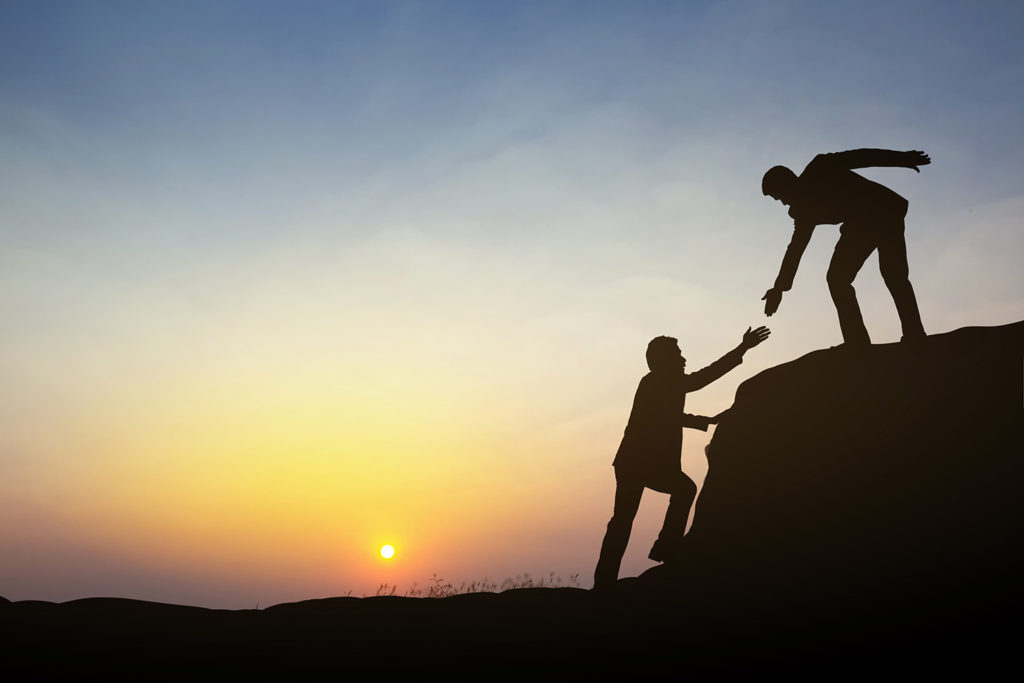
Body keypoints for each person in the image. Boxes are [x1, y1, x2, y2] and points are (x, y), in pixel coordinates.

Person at [593, 326, 770, 590]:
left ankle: (610, 579)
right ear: (664, 360)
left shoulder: (656, 382)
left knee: (625, 518)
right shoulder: (662, 381)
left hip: (633, 461)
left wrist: (705, 420)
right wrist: (742, 348)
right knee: (676, 493)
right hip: (640, 462)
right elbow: (703, 378)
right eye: (678, 354)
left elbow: (669, 416)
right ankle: (665, 547)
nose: (683, 359)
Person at [760, 148, 930, 346]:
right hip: (861, 225)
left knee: (892, 275)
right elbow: (795, 249)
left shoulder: (819, 167)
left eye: (779, 196)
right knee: (838, 279)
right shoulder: (802, 212)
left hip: (882, 211)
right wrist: (779, 288)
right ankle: (858, 342)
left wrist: (901, 158)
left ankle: (913, 334)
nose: (782, 202)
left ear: (787, 183)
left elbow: (862, 157)